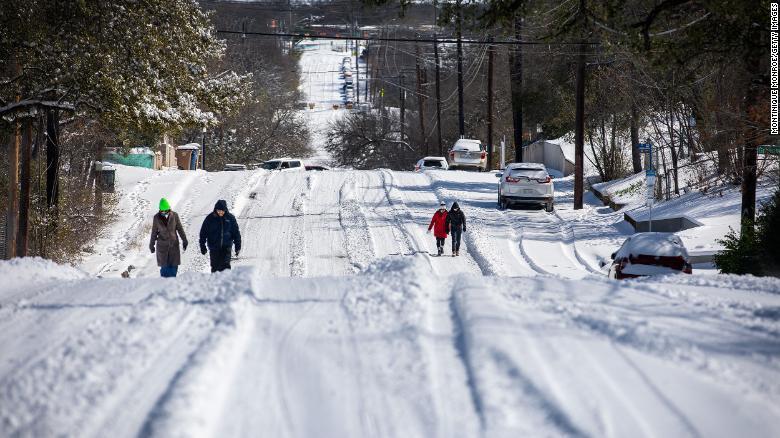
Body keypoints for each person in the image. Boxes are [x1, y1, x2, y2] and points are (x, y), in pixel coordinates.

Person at [199, 199, 241, 272]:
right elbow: (203, 233)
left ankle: (226, 282)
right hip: (214, 247)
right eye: (218, 211)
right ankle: (215, 282)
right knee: (215, 268)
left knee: (226, 266)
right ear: (216, 210)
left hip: (226, 246)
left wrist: (238, 246)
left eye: (222, 211)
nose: (220, 212)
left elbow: (236, 233)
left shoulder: (230, 218)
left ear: (225, 210)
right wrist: (202, 246)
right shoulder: (210, 218)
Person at [149, 198, 188, 278]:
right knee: (165, 272)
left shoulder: (175, 215)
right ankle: (165, 287)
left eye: (166, 211)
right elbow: (154, 232)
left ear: (169, 209)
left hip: (174, 246)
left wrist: (184, 240)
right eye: (162, 211)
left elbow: (180, 229)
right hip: (162, 247)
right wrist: (151, 245)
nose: (164, 213)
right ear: (160, 210)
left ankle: (172, 288)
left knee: (173, 270)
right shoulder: (156, 218)